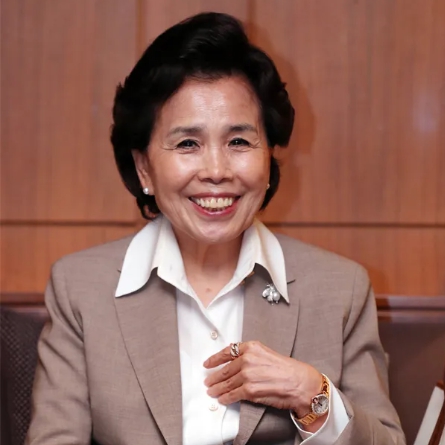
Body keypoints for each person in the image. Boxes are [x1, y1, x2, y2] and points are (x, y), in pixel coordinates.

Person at [26, 12, 405, 445]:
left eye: (239, 141)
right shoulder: (80, 288)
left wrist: (312, 395)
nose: (217, 171)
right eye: (187, 143)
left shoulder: (340, 289)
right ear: (144, 167)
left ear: (268, 158)